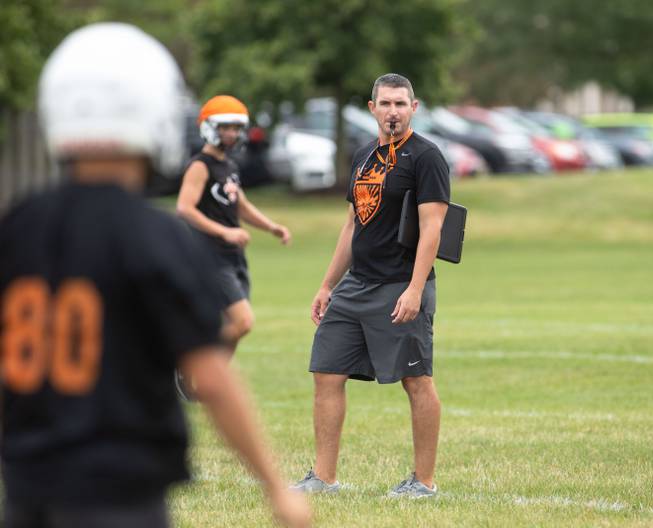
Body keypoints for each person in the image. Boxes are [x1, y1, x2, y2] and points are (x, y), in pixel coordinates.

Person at [0, 22, 311, 527]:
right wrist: (276, 489)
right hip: (122, 493)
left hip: (27, 491)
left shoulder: (18, 226)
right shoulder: (155, 235)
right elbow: (211, 375)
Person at [290, 73, 450, 498]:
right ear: (372, 108)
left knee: (416, 381)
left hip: (400, 285)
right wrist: (327, 285)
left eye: (401, 104)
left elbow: (432, 228)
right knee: (326, 372)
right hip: (355, 287)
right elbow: (350, 226)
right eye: (386, 104)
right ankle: (323, 478)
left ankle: (424, 482)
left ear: (414, 108)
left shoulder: (426, 157)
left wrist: (415, 289)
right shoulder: (363, 156)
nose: (393, 111)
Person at [176, 95, 291, 356]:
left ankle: (206, 386)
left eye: (236, 128)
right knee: (242, 322)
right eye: (225, 127)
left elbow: (241, 206)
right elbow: (184, 208)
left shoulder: (228, 165)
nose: (231, 133)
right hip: (210, 255)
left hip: (233, 257)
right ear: (208, 127)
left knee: (233, 325)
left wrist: (271, 227)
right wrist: (225, 231)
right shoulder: (200, 166)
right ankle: (190, 362)